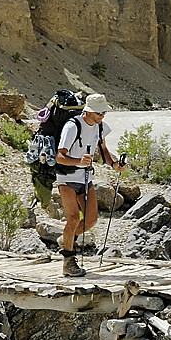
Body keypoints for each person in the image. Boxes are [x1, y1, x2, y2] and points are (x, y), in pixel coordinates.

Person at [55, 93, 125, 277]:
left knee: (91, 220)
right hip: (67, 178)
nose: (103, 115)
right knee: (73, 219)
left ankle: (66, 240)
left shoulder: (100, 127)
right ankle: (68, 263)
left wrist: (114, 164)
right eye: (99, 112)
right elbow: (59, 156)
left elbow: (103, 149)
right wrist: (79, 161)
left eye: (104, 112)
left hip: (85, 178)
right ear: (88, 111)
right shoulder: (72, 126)